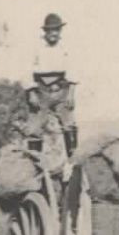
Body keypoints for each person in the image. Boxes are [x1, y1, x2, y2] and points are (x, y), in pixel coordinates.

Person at [29, 11, 78, 158]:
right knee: (34, 129)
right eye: (50, 30)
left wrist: (71, 94)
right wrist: (31, 93)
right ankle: (35, 162)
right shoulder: (36, 48)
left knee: (69, 125)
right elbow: (27, 71)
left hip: (61, 90)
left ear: (60, 31)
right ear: (45, 31)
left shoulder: (65, 49)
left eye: (56, 30)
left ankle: (72, 160)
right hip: (41, 91)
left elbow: (73, 71)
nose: (53, 33)